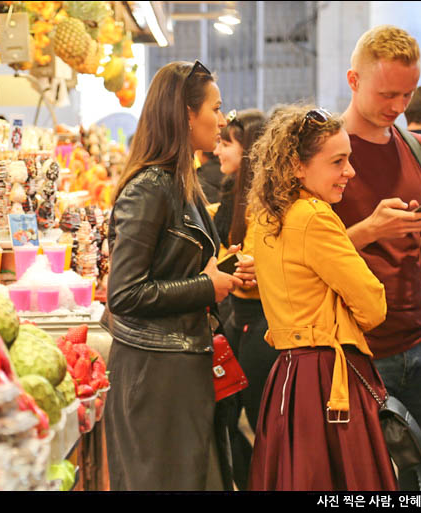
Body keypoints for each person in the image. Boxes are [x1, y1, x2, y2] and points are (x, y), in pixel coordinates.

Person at [102, 60, 256, 491]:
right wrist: (209, 285)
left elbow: (176, 267)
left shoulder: (179, 182)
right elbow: (125, 293)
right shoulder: (150, 187)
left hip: (180, 364)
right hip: (156, 373)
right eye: (215, 108)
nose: (222, 119)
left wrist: (223, 270)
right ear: (186, 113)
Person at [333, 25, 421, 491]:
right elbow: (299, 258)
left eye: (406, 94)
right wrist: (370, 229)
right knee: (366, 485)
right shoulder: (323, 154)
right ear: (353, 80)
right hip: (353, 350)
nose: (397, 106)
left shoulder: (418, 148)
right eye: (387, 93)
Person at [246, 104, 396, 491]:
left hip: (289, 373)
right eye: (338, 161)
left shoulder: (266, 216)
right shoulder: (315, 216)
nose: (350, 171)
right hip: (329, 378)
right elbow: (374, 306)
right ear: (297, 165)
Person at [210, 108, 276, 490]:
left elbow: (247, 275)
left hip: (261, 326)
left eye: (226, 142)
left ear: (248, 149)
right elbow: (231, 262)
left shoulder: (267, 204)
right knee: (223, 415)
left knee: (260, 421)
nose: (217, 150)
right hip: (237, 320)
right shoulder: (230, 194)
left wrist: (224, 268)